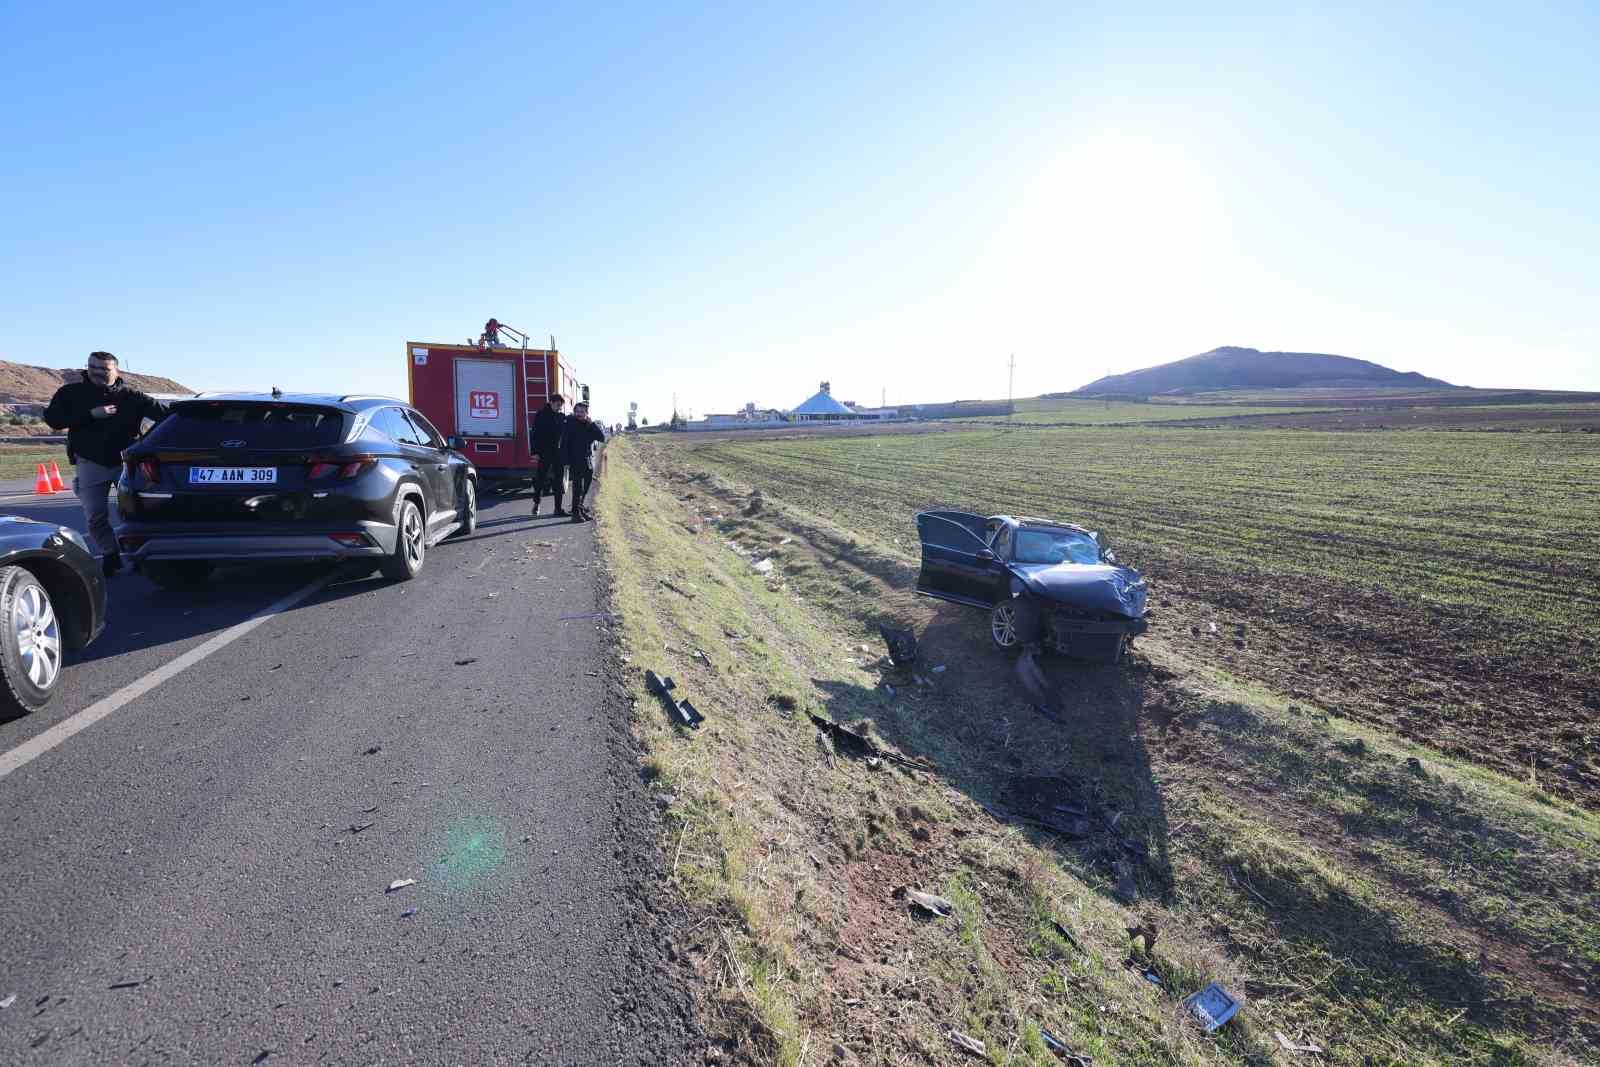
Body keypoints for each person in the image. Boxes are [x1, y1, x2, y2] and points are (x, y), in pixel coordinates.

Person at [43, 351, 168, 576]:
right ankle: (110, 554)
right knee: (95, 515)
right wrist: (90, 414)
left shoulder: (133, 396)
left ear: (116, 371)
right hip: (91, 462)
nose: (97, 373)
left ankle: (139, 553)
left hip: (127, 463)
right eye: (93, 367)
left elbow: (166, 418)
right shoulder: (70, 393)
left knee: (138, 512)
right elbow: (53, 419)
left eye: (104, 369)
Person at [560, 401, 606, 523]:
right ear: (575, 412)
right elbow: (564, 443)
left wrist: (592, 424)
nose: (579, 414)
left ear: (587, 413)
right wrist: (565, 461)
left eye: (582, 412)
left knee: (586, 486)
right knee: (577, 488)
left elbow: (601, 438)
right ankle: (575, 513)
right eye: (577, 411)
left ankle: (580, 509)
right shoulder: (569, 424)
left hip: (588, 460)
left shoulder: (589, 425)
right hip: (575, 460)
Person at [530, 393, 567, 516]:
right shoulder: (541, 415)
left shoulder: (562, 417)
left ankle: (558, 508)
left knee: (558, 481)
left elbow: (566, 435)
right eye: (557, 405)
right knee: (540, 480)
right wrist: (534, 452)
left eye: (560, 406)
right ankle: (536, 504)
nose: (559, 408)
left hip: (558, 453)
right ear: (551, 402)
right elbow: (534, 434)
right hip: (544, 452)